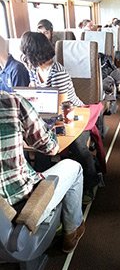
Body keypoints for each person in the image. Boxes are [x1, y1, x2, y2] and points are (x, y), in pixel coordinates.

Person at [20, 31, 102, 204]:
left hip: (74, 113)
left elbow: (63, 107)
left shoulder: (58, 73)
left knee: (78, 147)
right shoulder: (35, 69)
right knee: (41, 146)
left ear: (33, 53)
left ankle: (91, 181)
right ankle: (44, 187)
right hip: (48, 114)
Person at [0, 90, 85, 253]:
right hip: (19, 207)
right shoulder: (12, 102)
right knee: (74, 167)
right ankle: (72, 232)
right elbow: (51, 148)